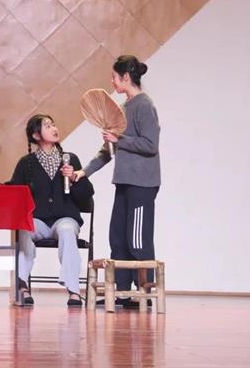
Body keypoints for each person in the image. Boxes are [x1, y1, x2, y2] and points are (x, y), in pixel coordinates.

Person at [74, 55, 160, 309]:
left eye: (114, 76)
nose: (112, 81)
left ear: (126, 77)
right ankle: (121, 291)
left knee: (138, 239)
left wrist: (119, 139)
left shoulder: (144, 105)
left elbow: (150, 145)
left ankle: (144, 292)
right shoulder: (122, 108)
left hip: (142, 183)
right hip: (123, 182)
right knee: (118, 237)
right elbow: (108, 151)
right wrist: (84, 172)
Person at [0, 114, 93, 307]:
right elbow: (16, 189)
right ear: (36, 135)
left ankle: (74, 291)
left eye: (53, 124)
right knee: (25, 229)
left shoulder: (70, 159)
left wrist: (74, 178)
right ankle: (22, 286)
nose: (54, 128)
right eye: (47, 126)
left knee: (67, 230)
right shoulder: (27, 163)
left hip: (64, 218)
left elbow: (86, 194)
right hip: (38, 220)